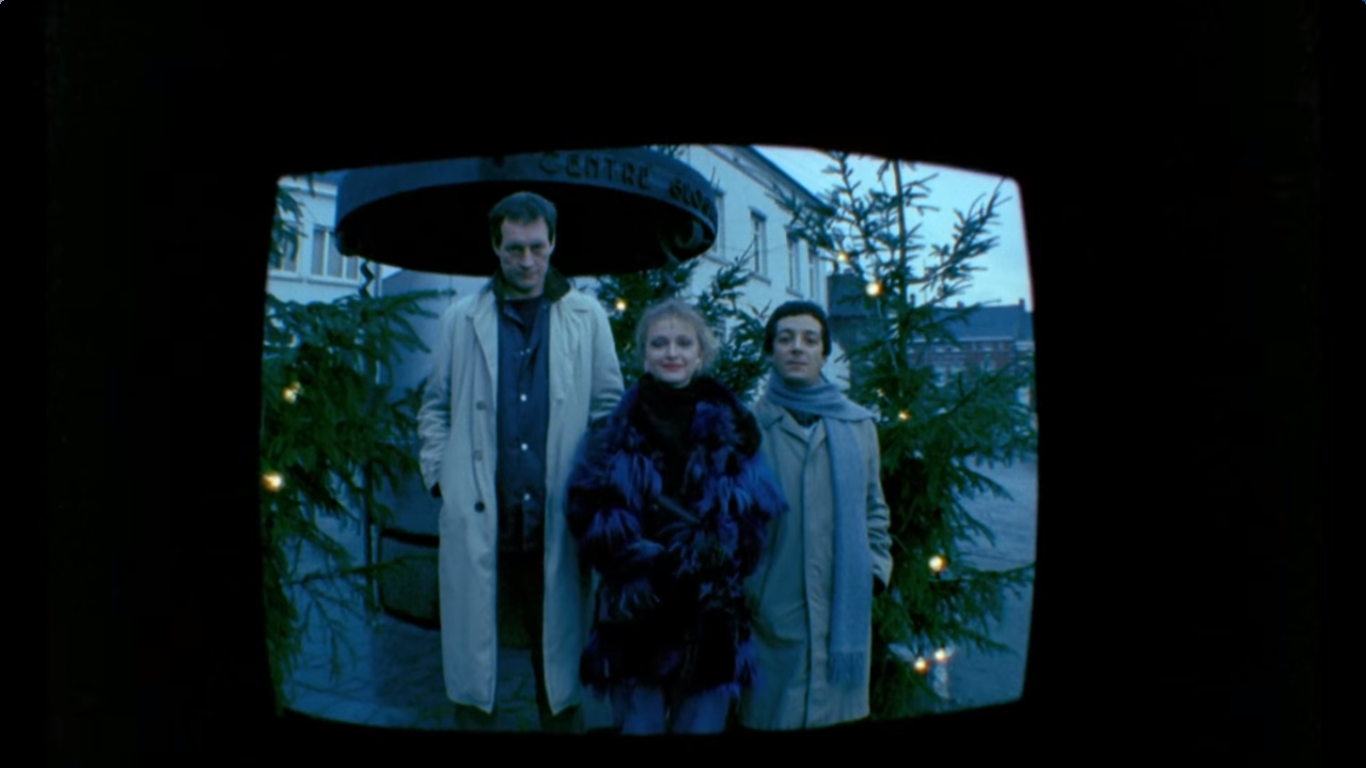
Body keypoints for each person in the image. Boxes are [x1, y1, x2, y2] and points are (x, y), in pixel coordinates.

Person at [417, 190, 625, 732]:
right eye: (514, 249)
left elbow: (607, 411)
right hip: (481, 520)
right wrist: (442, 478)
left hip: (555, 524)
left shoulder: (586, 316)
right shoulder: (461, 318)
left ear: (553, 241)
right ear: (496, 245)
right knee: (473, 676)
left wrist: (596, 487)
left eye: (537, 247)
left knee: (557, 675)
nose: (527, 261)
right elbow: (435, 407)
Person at [565, 298, 785, 735]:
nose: (672, 352)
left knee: (702, 724)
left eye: (684, 343)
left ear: (701, 354)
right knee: (638, 725)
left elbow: (755, 514)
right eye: (659, 343)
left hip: (709, 616)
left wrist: (710, 555)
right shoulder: (612, 431)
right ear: (644, 354)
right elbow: (586, 511)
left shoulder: (736, 428)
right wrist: (642, 560)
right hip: (636, 616)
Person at [738, 300, 893, 731]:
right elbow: (732, 520)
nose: (797, 348)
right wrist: (753, 590)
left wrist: (875, 570)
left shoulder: (858, 426)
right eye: (785, 339)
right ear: (771, 350)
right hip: (773, 613)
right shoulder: (747, 429)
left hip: (842, 609)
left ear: (824, 353)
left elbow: (874, 508)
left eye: (810, 339)